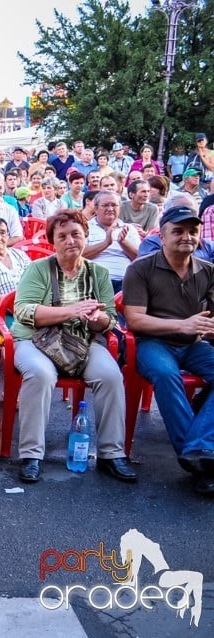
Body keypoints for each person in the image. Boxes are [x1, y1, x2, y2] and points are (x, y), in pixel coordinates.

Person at [10, 210, 136, 484]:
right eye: (62, 236)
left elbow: (110, 319)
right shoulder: (38, 268)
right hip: (36, 339)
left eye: (76, 234)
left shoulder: (98, 273)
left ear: (86, 236)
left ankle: (111, 454)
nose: (70, 241)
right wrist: (71, 311)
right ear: (52, 241)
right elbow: (23, 311)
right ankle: (32, 454)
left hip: (82, 340)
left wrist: (97, 319)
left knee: (111, 376)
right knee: (40, 375)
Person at [123, 206, 214, 495]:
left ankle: (198, 450)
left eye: (192, 231)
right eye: (178, 230)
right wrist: (182, 325)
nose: (186, 236)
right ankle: (202, 460)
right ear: (162, 235)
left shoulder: (208, 270)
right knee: (165, 374)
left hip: (194, 344)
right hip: (152, 342)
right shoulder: (141, 267)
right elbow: (135, 320)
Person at [82, 191, 139, 293]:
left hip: (126, 281)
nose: (110, 209)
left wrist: (123, 242)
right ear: (95, 208)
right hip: (95, 280)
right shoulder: (85, 227)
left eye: (114, 205)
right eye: (105, 205)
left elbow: (139, 258)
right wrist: (106, 243)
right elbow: (80, 255)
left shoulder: (129, 228)